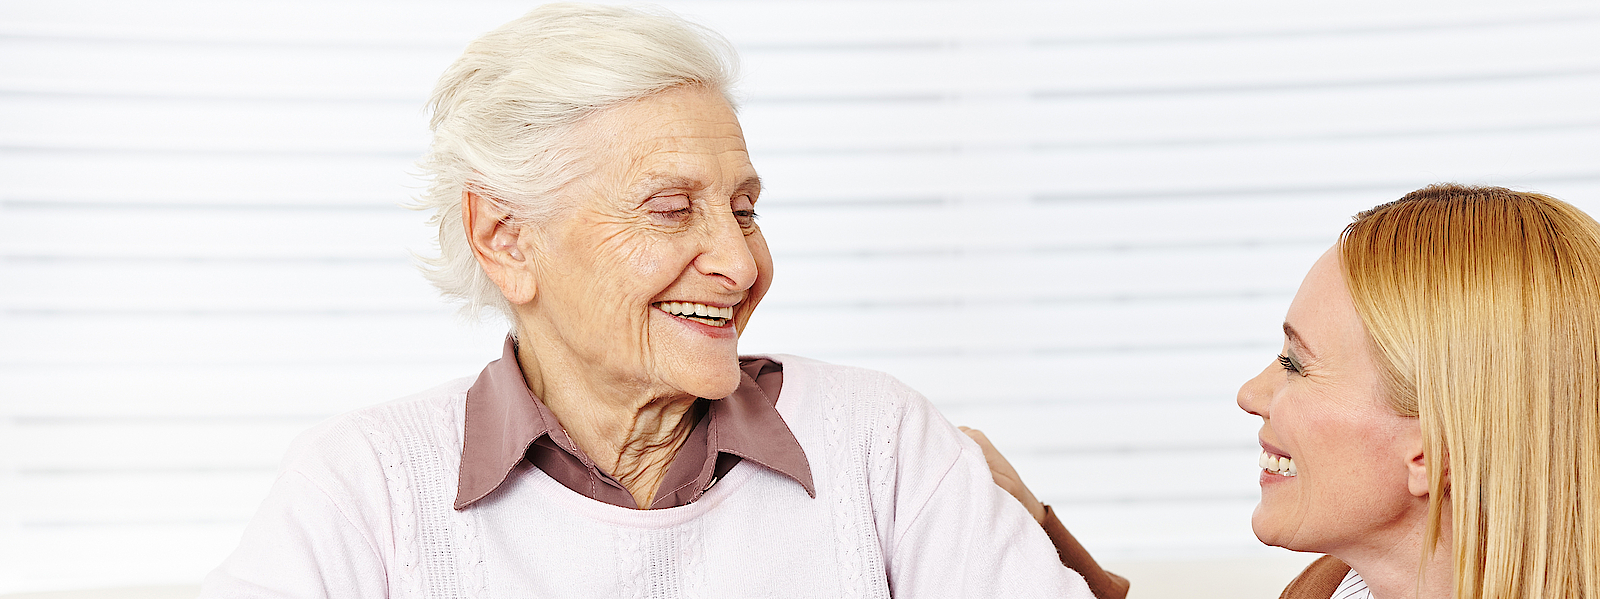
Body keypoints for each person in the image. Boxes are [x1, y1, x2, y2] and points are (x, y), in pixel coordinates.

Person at [199, 4, 1094, 597]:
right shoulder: (365, 488)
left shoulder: (885, 443)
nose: (739, 266)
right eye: (670, 210)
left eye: (745, 210)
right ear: (506, 239)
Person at [974, 184, 1600, 599]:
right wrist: (1031, 517)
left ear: (1432, 448)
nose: (1251, 392)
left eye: (1296, 363)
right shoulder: (1335, 588)